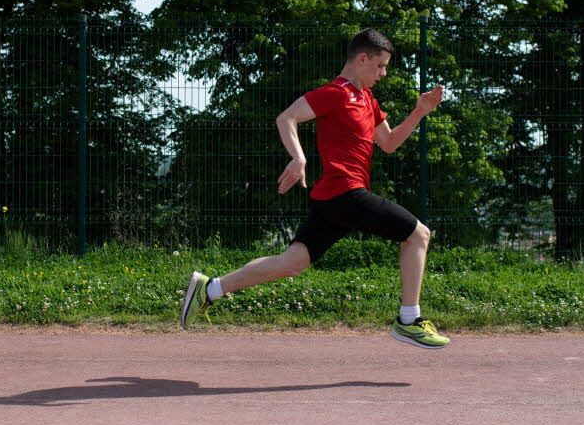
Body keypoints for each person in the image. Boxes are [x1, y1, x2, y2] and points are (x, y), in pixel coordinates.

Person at [180, 28, 450, 349]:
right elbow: (287, 118)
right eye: (380, 66)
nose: (384, 73)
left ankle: (209, 289)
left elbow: (389, 143)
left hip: (333, 200)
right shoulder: (336, 92)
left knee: (292, 262)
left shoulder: (367, 99)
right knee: (418, 234)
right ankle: (409, 319)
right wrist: (298, 157)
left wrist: (420, 111)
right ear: (362, 58)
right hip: (345, 193)